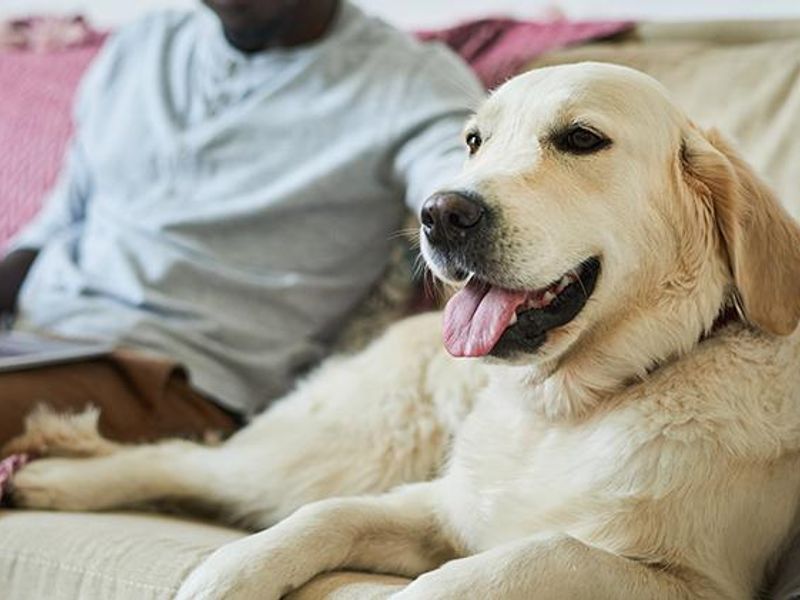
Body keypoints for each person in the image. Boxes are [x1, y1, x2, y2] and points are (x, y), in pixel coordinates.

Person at [0, 0, 483, 447]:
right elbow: (60, 220)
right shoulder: (143, 44)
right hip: (30, 340)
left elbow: (471, 185)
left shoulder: (411, 83)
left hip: (179, 377)